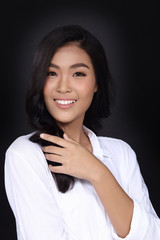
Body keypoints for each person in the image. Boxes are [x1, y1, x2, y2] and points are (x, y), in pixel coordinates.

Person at [5, 25, 160, 240]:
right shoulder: (26, 154)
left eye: (78, 73)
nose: (63, 87)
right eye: (51, 73)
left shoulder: (121, 153)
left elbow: (152, 235)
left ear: (97, 83)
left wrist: (98, 173)